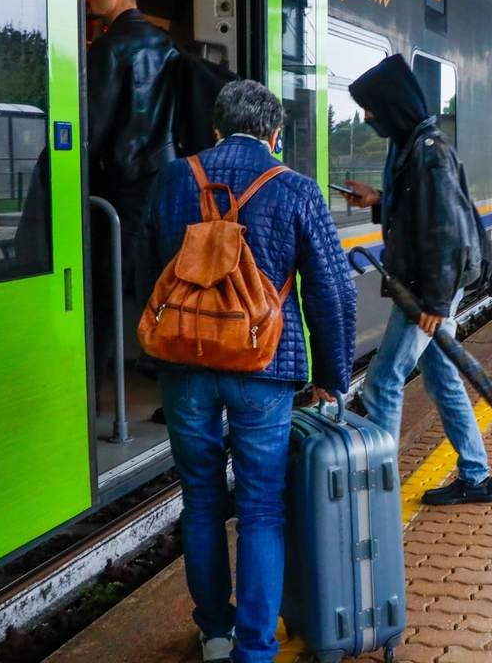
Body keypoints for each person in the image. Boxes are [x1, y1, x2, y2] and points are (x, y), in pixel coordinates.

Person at [143, 80, 357, 663]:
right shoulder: (295, 188)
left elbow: (148, 273)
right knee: (263, 505)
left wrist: (156, 355)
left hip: (185, 362)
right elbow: (332, 290)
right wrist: (331, 375)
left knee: (203, 500)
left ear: (216, 129)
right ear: (276, 133)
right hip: (264, 363)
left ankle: (215, 633)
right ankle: (255, 649)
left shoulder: (171, 179)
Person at [340, 55, 492, 506]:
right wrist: (378, 198)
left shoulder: (430, 153)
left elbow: (444, 233)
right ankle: (476, 476)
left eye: (371, 108)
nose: (367, 118)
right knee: (443, 380)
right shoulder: (409, 145)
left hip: (427, 289)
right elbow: (419, 209)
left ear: (391, 104)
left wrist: (435, 302)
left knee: (382, 381)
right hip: (428, 285)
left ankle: (380, 497)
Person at [85, 0, 179, 385]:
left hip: (122, 184)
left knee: (105, 291)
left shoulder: (110, 46)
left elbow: (95, 129)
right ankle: (172, 384)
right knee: (165, 284)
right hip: (165, 176)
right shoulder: (168, 46)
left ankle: (91, 388)